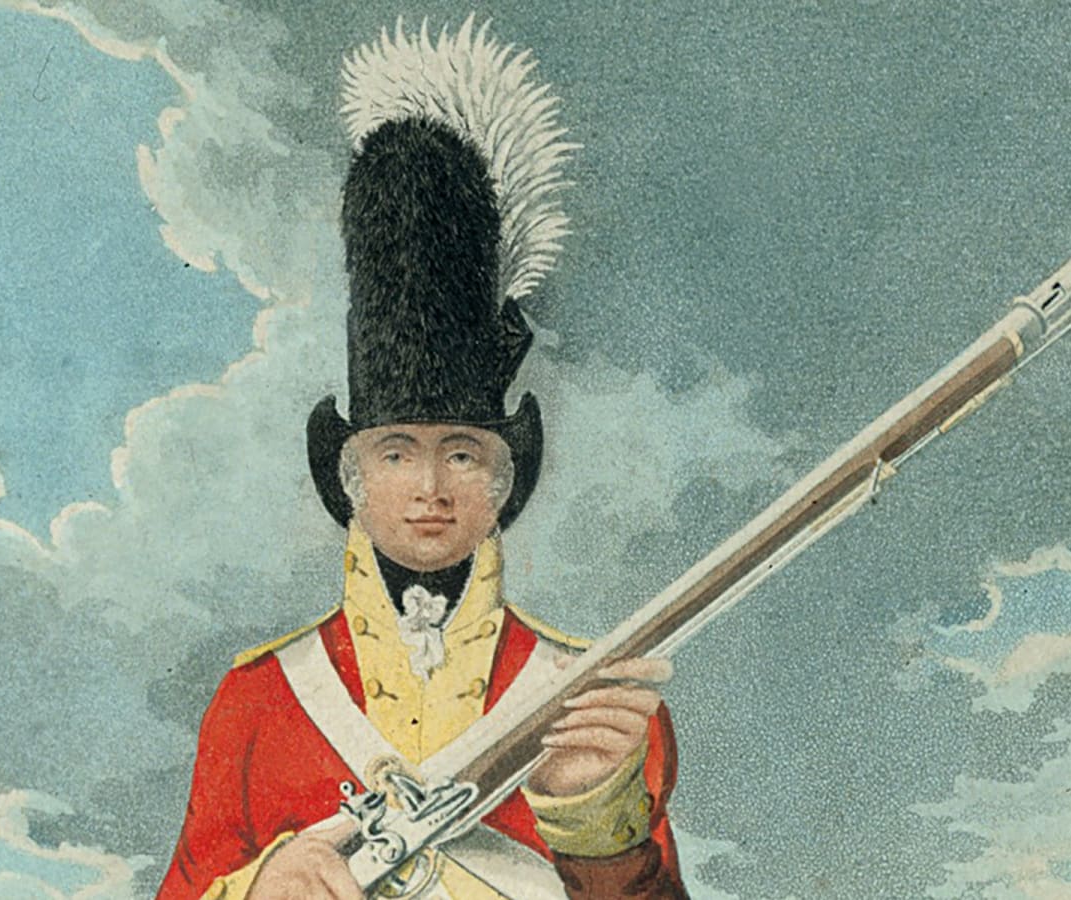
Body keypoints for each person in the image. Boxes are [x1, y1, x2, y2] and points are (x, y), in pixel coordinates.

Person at [155, 20, 689, 900]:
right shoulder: (255, 702)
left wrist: (596, 815)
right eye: (398, 452)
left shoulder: (589, 698)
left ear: (506, 479)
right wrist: (259, 887)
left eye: (464, 454)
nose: (432, 488)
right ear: (352, 476)